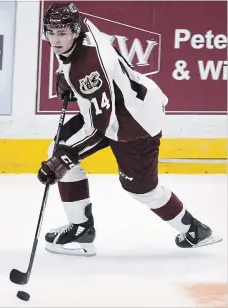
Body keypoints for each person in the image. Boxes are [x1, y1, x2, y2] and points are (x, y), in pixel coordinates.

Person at [37, 2, 222, 256]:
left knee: (141, 189)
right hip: (122, 105)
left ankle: (195, 231)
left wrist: (64, 159)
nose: (56, 40)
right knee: (58, 149)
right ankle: (82, 229)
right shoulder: (84, 29)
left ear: (76, 30)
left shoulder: (88, 70)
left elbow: (98, 128)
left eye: (62, 33)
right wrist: (63, 74)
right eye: (51, 32)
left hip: (135, 123)